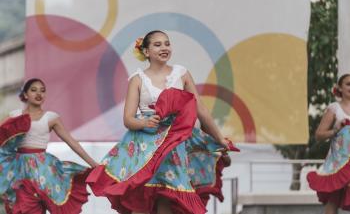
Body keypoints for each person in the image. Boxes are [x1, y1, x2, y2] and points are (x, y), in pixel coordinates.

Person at [87, 30, 238, 214]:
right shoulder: (137, 79)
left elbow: (201, 110)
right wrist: (144, 122)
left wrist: (219, 138)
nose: (164, 48)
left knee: (167, 197)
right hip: (145, 148)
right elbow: (128, 119)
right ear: (146, 51)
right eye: (157, 45)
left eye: (167, 43)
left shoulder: (181, 74)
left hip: (174, 146)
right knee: (141, 197)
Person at [0, 78, 98, 214]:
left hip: (45, 171)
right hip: (21, 170)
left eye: (42, 91)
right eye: (34, 90)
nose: (39, 94)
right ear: (25, 95)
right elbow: (3, 139)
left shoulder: (51, 117)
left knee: (46, 207)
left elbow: (71, 142)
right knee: (25, 208)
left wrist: (93, 164)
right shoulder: (15, 116)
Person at [307, 74, 350, 214]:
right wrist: (335, 130)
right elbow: (319, 135)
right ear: (340, 88)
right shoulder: (335, 108)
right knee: (333, 200)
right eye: (348, 84)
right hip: (339, 162)